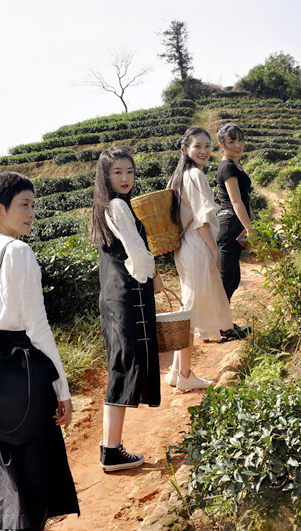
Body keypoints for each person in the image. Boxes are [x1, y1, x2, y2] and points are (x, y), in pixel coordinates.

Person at [0, 171, 79, 530]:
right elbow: (37, 328)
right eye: (24, 205)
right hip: (18, 382)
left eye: (33, 205)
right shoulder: (18, 252)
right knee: (29, 486)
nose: (31, 213)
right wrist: (62, 389)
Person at [89, 147, 162, 472]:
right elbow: (138, 253)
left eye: (130, 172)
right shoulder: (118, 206)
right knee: (122, 368)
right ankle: (111, 450)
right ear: (106, 176)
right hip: (127, 297)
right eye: (118, 172)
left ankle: (111, 447)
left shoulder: (106, 206)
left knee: (119, 366)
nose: (125, 178)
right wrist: (154, 276)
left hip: (114, 296)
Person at [165, 127, 234, 390]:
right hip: (196, 246)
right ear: (185, 149)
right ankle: (184, 376)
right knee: (190, 312)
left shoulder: (182, 175)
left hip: (185, 248)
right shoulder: (195, 175)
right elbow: (202, 221)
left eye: (207, 146)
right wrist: (215, 251)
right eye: (198, 146)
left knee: (188, 307)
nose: (204, 151)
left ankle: (175, 371)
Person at [215, 122, 254, 339]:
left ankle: (224, 324)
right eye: (231, 142)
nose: (238, 145)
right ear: (222, 144)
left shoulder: (235, 165)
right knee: (226, 279)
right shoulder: (227, 166)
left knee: (233, 278)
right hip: (230, 225)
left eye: (240, 140)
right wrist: (250, 228)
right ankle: (222, 328)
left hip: (234, 226)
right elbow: (236, 201)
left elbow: (245, 201)